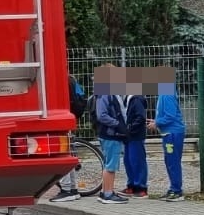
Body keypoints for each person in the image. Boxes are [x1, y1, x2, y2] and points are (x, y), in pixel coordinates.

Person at [90, 66, 130, 204]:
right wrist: (117, 123)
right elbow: (102, 115)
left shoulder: (106, 91)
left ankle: (105, 192)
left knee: (109, 164)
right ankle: (108, 193)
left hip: (109, 133)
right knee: (111, 165)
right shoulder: (106, 92)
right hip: (110, 134)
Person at [148, 73, 187, 202]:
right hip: (169, 133)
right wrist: (156, 121)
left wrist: (156, 123)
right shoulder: (165, 93)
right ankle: (173, 188)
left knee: (173, 162)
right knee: (170, 161)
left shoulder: (167, 94)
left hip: (172, 134)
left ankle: (177, 191)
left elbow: (170, 116)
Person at [49, 74, 87, 203]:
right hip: (70, 118)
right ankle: (73, 189)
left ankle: (66, 190)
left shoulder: (58, 80)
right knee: (68, 154)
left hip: (61, 120)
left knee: (62, 155)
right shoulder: (70, 79)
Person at [121, 85, 150, 198]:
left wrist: (129, 128)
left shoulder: (136, 99)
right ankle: (132, 185)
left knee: (136, 160)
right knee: (128, 160)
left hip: (135, 135)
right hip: (130, 135)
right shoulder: (130, 98)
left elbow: (140, 117)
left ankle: (141, 187)